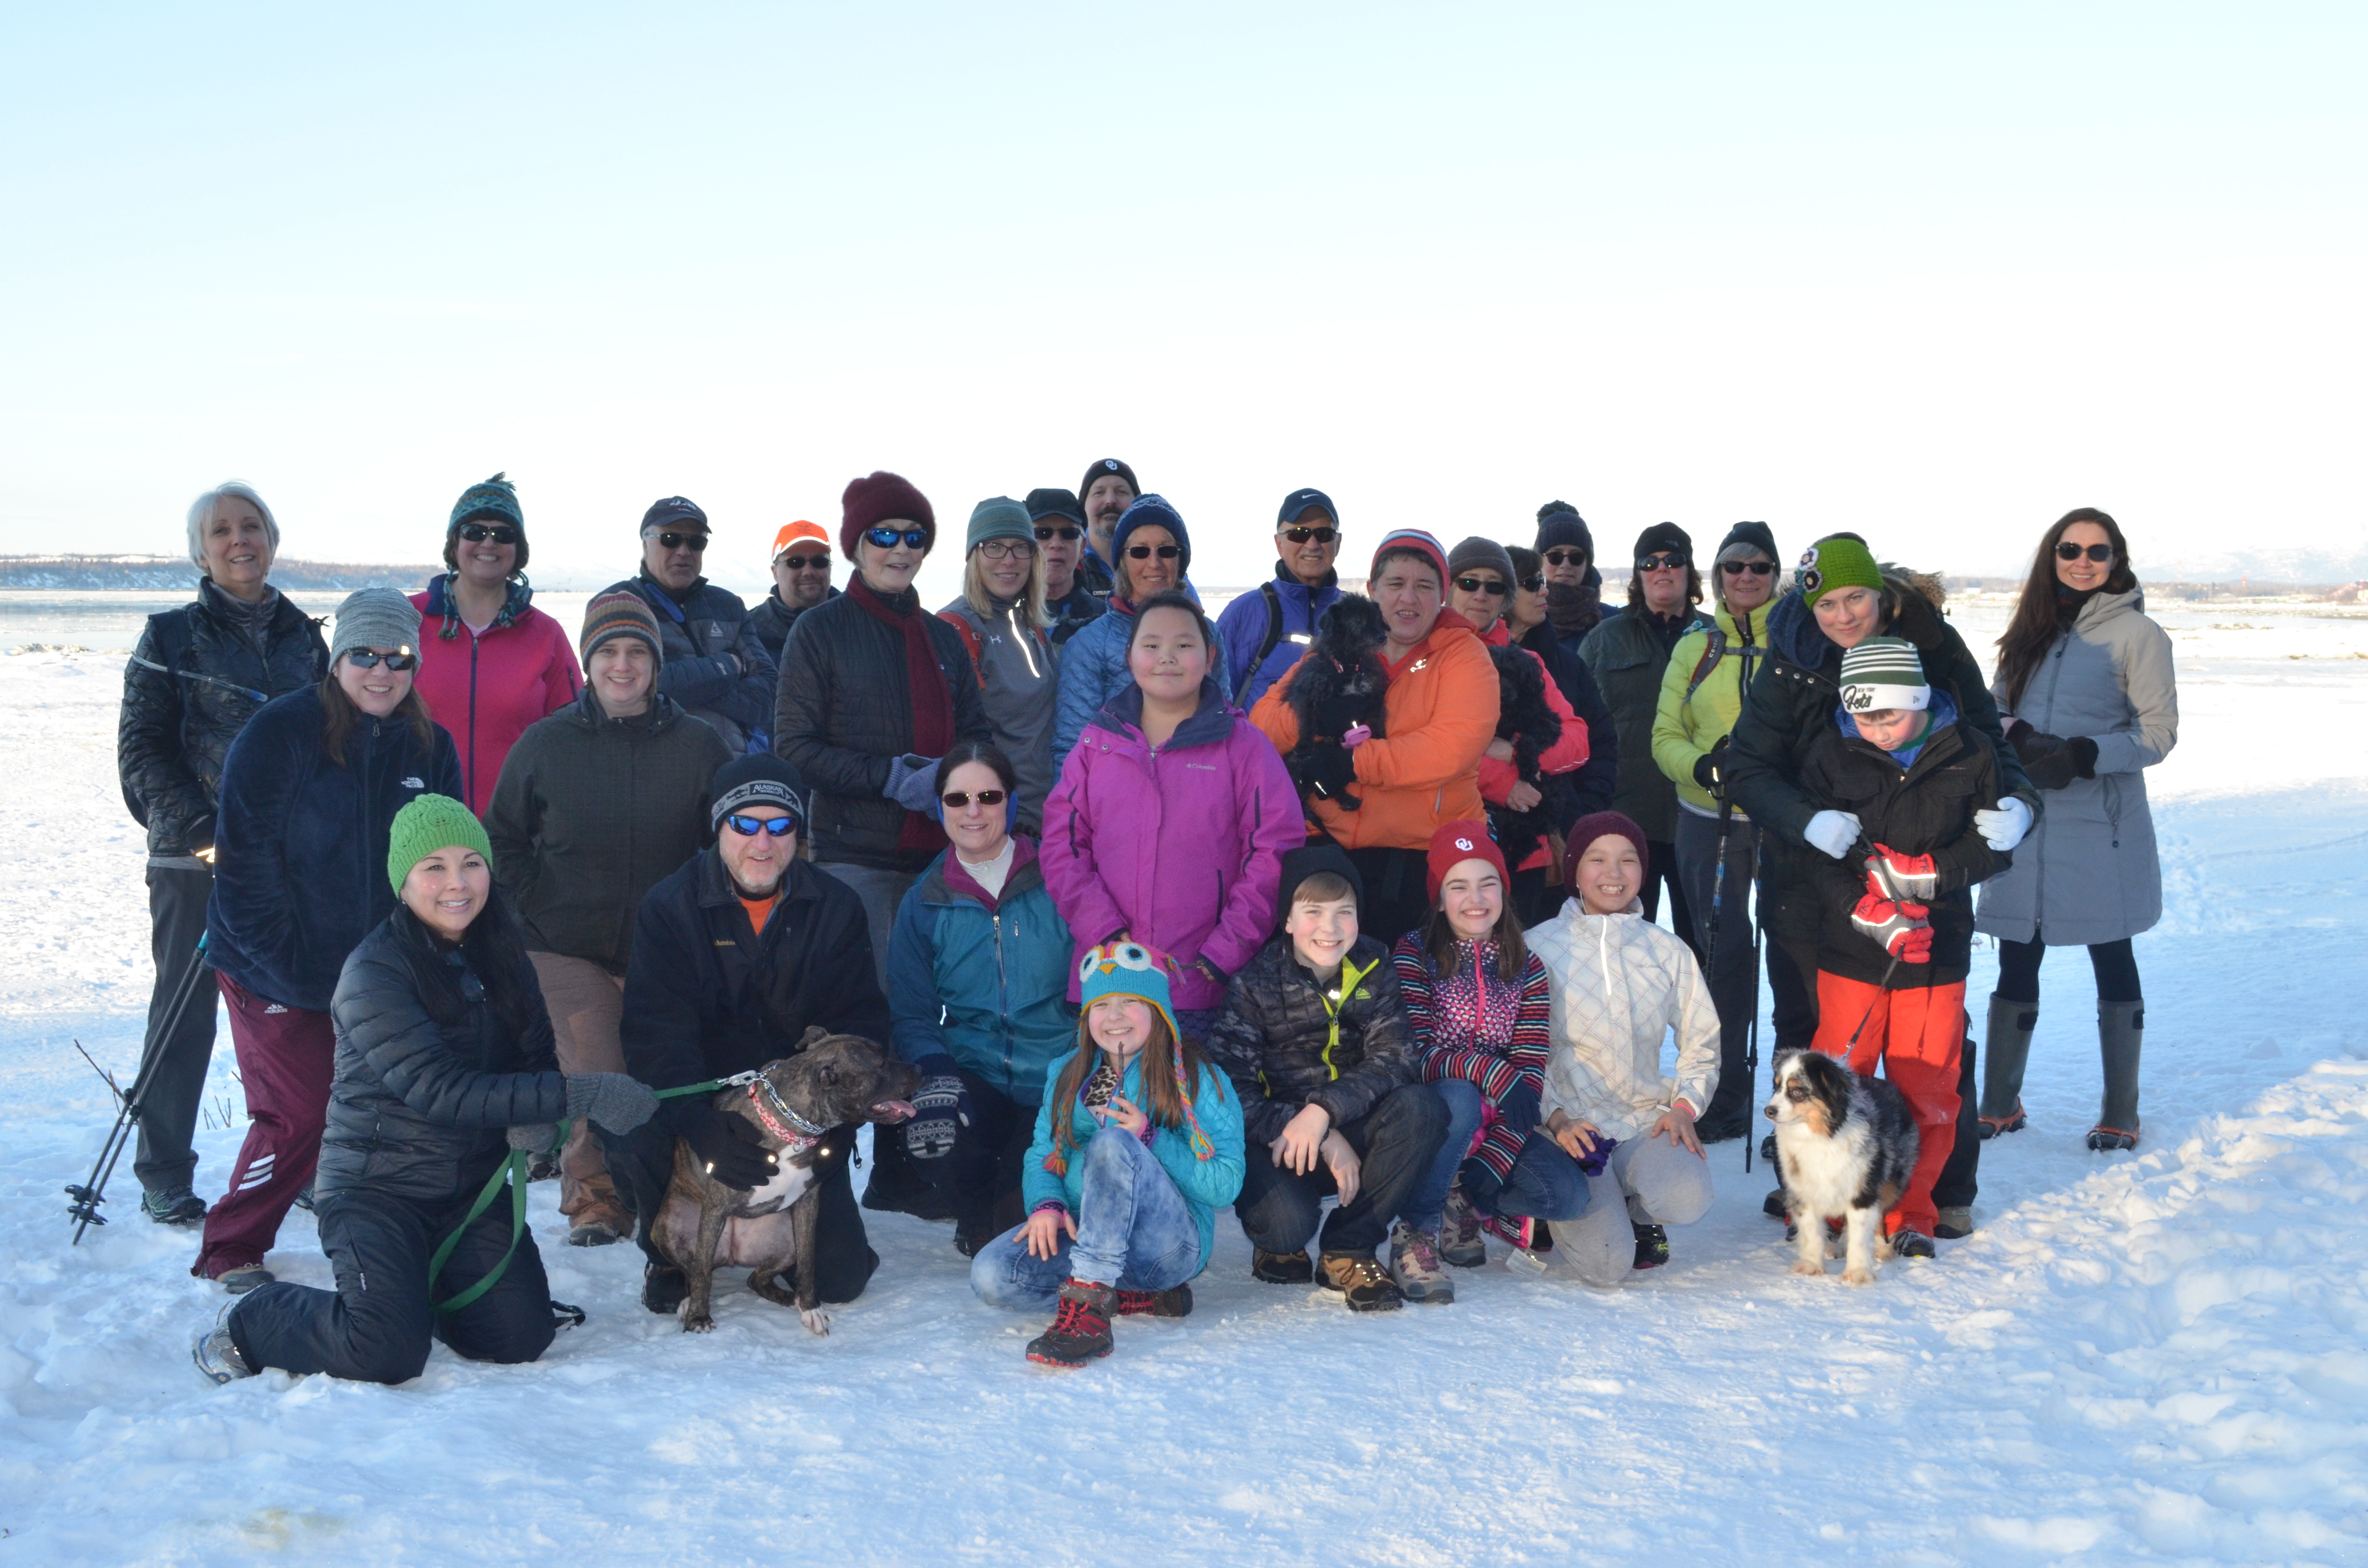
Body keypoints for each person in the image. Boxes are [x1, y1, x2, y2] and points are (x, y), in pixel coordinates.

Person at [193, 796, 662, 1387]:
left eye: (471, 863)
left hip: (469, 1190)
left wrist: (539, 1122)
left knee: (518, 1339)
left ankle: (415, 1297)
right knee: (383, 1353)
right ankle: (253, 1320)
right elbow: (440, 1091)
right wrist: (581, 1096)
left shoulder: (503, 952)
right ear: (404, 881)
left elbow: (533, 1056)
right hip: (377, 1190)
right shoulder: (374, 971)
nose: (457, 883)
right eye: (434, 867)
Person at [1725, 533, 2037, 1234]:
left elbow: (1987, 743)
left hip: (1921, 884)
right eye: (1827, 604)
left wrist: (2022, 804)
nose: (1843, 616)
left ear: (1881, 593)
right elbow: (1747, 765)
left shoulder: (1932, 644)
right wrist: (1804, 822)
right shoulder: (1792, 655)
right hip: (1809, 874)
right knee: (1812, 1033)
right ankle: (1813, 1193)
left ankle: (1940, 1194)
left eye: (1855, 599)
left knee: (1935, 1051)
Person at [196, 588, 464, 1290]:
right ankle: (232, 1242)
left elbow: (447, 864)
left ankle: (384, 1227)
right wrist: (297, 973)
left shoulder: (429, 745)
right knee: (301, 1112)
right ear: (336, 659)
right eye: (364, 655)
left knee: (392, 1105)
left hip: (377, 968)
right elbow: (245, 869)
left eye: (399, 658)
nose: (382, 672)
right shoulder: (280, 733)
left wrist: (435, 956)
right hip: (271, 964)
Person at [484, 590, 731, 1246]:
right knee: (600, 1068)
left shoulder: (699, 745)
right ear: (588, 662)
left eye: (636, 652)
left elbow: (726, 842)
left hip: (664, 947)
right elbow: (501, 838)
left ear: (656, 663)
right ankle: (596, 1198)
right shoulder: (547, 743)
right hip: (564, 945)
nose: (623, 666)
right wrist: (538, 902)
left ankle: (677, 1187)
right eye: (608, 652)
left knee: (670, 1068)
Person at [607, 755, 895, 1315]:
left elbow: (860, 1022)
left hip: (800, 1114)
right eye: (744, 824)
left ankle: (783, 1227)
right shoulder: (669, 907)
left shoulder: (836, 907)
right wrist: (698, 1122)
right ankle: (668, 1256)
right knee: (629, 1121)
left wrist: (837, 1130)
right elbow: (655, 1033)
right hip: (705, 1101)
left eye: (780, 825)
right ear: (718, 827)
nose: (762, 843)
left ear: (797, 834)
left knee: (839, 1280)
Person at [117, 480, 329, 1227]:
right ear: (201, 553)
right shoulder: (169, 637)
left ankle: (300, 1159)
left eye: (251, 526)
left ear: (271, 540)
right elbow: (142, 753)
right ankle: (165, 1171)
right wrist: (204, 834)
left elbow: (327, 740)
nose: (239, 540)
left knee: (295, 1012)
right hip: (194, 862)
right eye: (221, 531)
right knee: (185, 1014)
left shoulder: (305, 637)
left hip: (290, 863)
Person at [1798, 638, 2014, 1256]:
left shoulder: (1969, 752)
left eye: (1888, 716)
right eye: (1863, 717)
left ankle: (1910, 1211)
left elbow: (1994, 845)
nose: (1875, 730)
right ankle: (1829, 1208)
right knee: (1834, 1087)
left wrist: (1930, 874)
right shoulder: (1830, 751)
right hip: (1851, 951)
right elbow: (1812, 853)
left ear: (1917, 701)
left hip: (1934, 954)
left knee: (1928, 1091)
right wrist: (1864, 909)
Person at [1975, 508, 2178, 1153]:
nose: (2082, 562)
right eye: (2070, 550)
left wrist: (2085, 754)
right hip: (2025, 814)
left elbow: (2158, 733)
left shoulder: (2139, 635)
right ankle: (1999, 1103)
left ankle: (2121, 1111)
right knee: (2017, 949)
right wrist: (2018, 737)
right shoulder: (2028, 629)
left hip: (2100, 823)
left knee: (2111, 953)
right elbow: (1993, 707)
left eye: (2097, 551)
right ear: (2052, 555)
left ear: (2116, 560)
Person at [970, 940, 1245, 1367]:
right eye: (1101, 1005)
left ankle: (1087, 1311)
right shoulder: (1069, 1073)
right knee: (992, 1276)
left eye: (1130, 1002)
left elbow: (1225, 1185)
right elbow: (1043, 1153)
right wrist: (1046, 1204)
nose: (1114, 1017)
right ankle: (1133, 1298)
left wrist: (1150, 1138)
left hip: (1165, 1250)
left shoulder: (1196, 1076)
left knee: (1113, 1142)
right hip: (1089, 1236)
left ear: (1158, 1010)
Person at [1043, 591, 1302, 1041]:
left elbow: (1274, 852)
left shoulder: (1243, 746)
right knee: (1113, 1088)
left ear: (1210, 656)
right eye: (1152, 645)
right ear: (1130, 656)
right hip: (1110, 979)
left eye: (1184, 645)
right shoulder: (1096, 745)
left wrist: (1225, 952)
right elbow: (1061, 846)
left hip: (1200, 982)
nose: (1167, 657)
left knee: (1197, 1089)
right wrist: (1102, 931)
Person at [771, 471, 993, 986]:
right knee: (870, 1000)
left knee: (944, 998)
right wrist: (891, 778)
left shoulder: (943, 637)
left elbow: (977, 735)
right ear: (856, 547)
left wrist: (955, 779)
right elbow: (794, 747)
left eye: (914, 537)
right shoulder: (819, 630)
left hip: (944, 853)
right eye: (884, 535)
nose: (900, 549)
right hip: (855, 856)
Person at [1203, 845, 1449, 1311]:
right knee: (1285, 1227)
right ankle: (1276, 1241)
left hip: (1346, 1123)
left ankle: (1348, 1248)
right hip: (1279, 1139)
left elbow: (1396, 1058)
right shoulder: (1254, 984)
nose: (1329, 927)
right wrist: (1316, 1130)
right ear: (1287, 920)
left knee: (1422, 1107)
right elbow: (1230, 1091)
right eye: (1313, 912)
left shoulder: (1375, 965)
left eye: (1344, 912)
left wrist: (1325, 1112)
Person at [1250, 529, 1500, 945]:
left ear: (1443, 595)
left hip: (1426, 854)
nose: (1409, 598)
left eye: (1425, 586)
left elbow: (1450, 748)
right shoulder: (1337, 649)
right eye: (1396, 584)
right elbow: (1262, 723)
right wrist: (1316, 718)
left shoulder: (1465, 656)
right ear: (1372, 591)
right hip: (1330, 848)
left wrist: (1352, 762)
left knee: (1416, 980)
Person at [888, 743, 1077, 1256]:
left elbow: (1098, 978)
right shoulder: (925, 900)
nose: (973, 811)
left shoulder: (1061, 877)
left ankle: (1008, 1206)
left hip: (1058, 1073)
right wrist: (936, 1072)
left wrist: (1089, 1060)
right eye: (957, 799)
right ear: (939, 807)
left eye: (988, 797)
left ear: (1010, 803)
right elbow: (911, 1010)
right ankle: (974, 1209)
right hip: (976, 1071)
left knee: (1023, 1229)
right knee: (936, 1129)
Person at [1528, 814, 1720, 1284]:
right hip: (1569, 1130)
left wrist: (1684, 1107)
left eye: (1627, 860)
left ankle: (1637, 1210)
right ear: (1574, 870)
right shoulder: (1537, 947)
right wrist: (1556, 1118)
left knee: (1686, 1196)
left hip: (1640, 1121)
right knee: (1606, 1267)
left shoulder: (1666, 951)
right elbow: (1521, 1052)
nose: (1613, 874)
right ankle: (1551, 1203)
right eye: (1597, 860)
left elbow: (1702, 1039)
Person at [1390, 823, 1579, 1299]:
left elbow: (1528, 1071)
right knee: (1459, 1098)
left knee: (1568, 1195)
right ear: (1439, 900)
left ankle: (1465, 1201)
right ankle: (1415, 1231)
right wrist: (1492, 1071)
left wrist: (1498, 1158)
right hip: (1436, 1113)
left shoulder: (1527, 967)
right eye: (1458, 887)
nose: (1475, 899)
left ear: (1503, 891)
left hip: (1496, 1119)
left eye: (1487, 883)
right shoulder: (1414, 953)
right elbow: (1416, 1054)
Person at [1648, 520, 1786, 1140]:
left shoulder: (1798, 640)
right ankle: (1723, 1097)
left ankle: (1800, 1096)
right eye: (1734, 566)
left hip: (1784, 823)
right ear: (1718, 576)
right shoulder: (1697, 647)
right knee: (1721, 958)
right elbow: (1664, 736)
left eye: (1759, 566)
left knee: (1793, 961)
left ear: (1775, 575)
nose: (1746, 577)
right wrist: (1703, 766)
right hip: (1710, 819)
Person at [407, 473, 581, 814]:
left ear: (519, 551)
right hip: (420, 824)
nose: (488, 544)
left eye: (503, 535)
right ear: (454, 544)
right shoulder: (408, 619)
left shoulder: (546, 634)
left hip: (517, 828)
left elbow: (574, 735)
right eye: (475, 532)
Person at [1579, 523, 1714, 956]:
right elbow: (1581, 726)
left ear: (1690, 571)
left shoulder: (1718, 639)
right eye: (1649, 562)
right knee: (1626, 946)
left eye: (1674, 561)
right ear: (1638, 574)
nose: (1662, 570)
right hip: (1627, 821)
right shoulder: (1604, 640)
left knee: (1707, 944)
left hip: (1702, 817)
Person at [1443, 536, 1590, 926]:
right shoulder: (1428, 659)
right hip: (1450, 842)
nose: (1481, 595)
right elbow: (1426, 747)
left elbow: (1578, 742)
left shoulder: (1528, 662)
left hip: (1526, 853)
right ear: (1448, 588)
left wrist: (1516, 752)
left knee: (1522, 957)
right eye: (1469, 583)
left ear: (1506, 598)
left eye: (1494, 587)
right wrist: (1502, 782)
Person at [1049, 495, 1232, 771]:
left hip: (1199, 783)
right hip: (1115, 788)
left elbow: (1225, 721)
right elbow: (1071, 748)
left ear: (1181, 560)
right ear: (1122, 561)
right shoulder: (1088, 645)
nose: (1154, 563)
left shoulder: (1207, 633)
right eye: (1139, 552)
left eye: (1166, 551)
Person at [605, 496, 778, 753]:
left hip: (735, 762)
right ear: (645, 544)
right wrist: (729, 665)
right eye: (671, 539)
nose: (684, 551)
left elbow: (769, 695)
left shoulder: (729, 606)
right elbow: (642, 687)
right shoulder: (618, 605)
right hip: (654, 763)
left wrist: (689, 687)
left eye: (696, 542)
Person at [938, 498, 1061, 825]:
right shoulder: (955, 629)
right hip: (1000, 821)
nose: (1009, 560)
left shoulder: (1031, 625)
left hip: (1051, 815)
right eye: (994, 547)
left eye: (1021, 547)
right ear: (974, 556)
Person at [1505, 541, 1619, 823]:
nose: (1544, 591)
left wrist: (1587, 810)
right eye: (1532, 584)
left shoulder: (1567, 664)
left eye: (1542, 582)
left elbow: (1600, 740)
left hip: (1564, 824)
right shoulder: (1473, 662)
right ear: (1502, 593)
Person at [1215, 487, 1345, 711]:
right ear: (1279, 544)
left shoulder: (1357, 616)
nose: (1312, 544)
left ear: (1338, 543)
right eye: (1299, 534)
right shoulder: (1243, 615)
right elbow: (1214, 706)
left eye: (1324, 534)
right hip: (1260, 736)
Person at [747, 518, 838, 660]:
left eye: (819, 562)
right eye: (795, 562)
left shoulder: (859, 623)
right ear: (775, 573)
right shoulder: (749, 633)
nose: (808, 572)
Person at [1027, 488, 1106, 648]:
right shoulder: (1000, 617)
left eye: (1069, 533)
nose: (1057, 544)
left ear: (1082, 547)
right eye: (1043, 533)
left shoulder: (1105, 619)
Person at [1535, 502, 1606, 657]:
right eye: (1555, 556)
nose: (1566, 565)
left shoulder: (1612, 624)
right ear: (1540, 560)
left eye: (1576, 557)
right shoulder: (1518, 620)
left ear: (1587, 563)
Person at [1075, 457, 1138, 596]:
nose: (1110, 500)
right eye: (1099, 492)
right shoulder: (1068, 565)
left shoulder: (1158, 562)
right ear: (1083, 506)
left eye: (1121, 492)